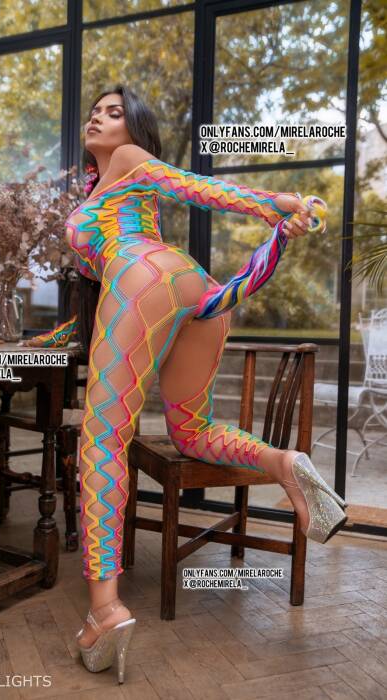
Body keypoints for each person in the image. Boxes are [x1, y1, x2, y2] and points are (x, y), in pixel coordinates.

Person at [20, 85, 346, 684]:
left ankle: (104, 610)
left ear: (135, 130)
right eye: (94, 111)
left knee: (102, 439)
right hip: (187, 285)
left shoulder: (129, 160)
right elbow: (99, 296)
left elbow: (190, 185)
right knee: (191, 431)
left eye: (114, 112)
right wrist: (53, 336)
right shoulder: (108, 187)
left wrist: (273, 204)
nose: (98, 117)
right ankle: (283, 463)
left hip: (143, 277)